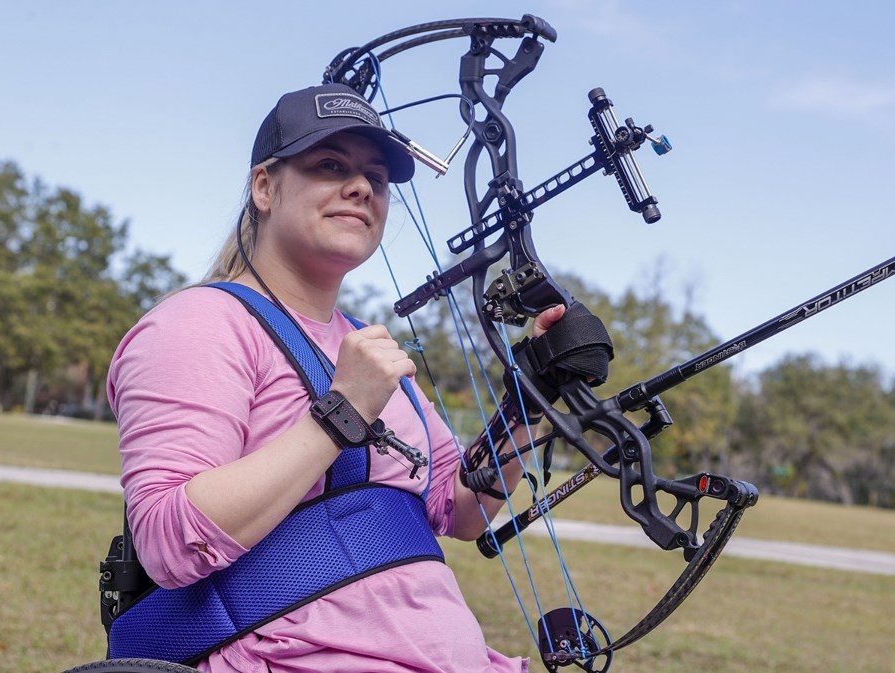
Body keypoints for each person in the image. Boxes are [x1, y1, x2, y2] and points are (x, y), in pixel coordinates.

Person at [107, 83, 561, 673]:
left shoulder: (369, 349)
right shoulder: (199, 324)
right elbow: (169, 542)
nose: (362, 187)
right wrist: (341, 413)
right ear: (264, 187)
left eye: (377, 176)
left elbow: (461, 507)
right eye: (330, 165)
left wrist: (532, 397)